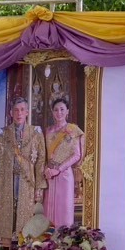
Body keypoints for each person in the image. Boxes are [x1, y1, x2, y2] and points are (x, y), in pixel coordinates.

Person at [0, 97, 47, 245]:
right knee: (6, 215)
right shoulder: (2, 134)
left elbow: (41, 161)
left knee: (25, 215)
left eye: (22, 110)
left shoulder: (36, 133)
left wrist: (39, 187)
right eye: (16, 110)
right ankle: (5, 248)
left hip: (27, 182)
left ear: (27, 112)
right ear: (11, 113)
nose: (19, 113)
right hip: (7, 181)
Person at [44, 96, 86, 229]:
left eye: (62, 109)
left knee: (64, 210)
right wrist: (46, 169)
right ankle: (49, 240)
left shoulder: (73, 130)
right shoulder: (48, 131)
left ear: (67, 111)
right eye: (56, 110)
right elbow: (44, 154)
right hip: (49, 176)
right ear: (52, 112)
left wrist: (59, 169)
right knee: (49, 210)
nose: (59, 112)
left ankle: (65, 239)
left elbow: (77, 155)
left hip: (65, 175)